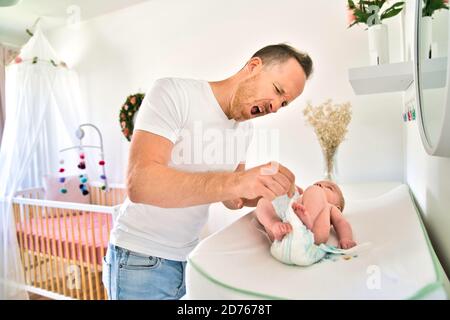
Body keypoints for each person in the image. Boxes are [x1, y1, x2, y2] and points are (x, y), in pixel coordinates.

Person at [103, 44, 313, 299]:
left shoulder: (245, 129)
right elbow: (140, 184)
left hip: (189, 258)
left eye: (284, 103)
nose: (276, 107)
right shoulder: (173, 93)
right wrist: (239, 181)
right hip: (140, 258)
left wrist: (272, 193)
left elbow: (232, 198)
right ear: (254, 67)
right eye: (277, 91)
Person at [255, 180, 356, 249]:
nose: (320, 185)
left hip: (311, 233)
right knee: (263, 201)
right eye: (317, 183)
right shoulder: (301, 198)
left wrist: (346, 238)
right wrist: (291, 191)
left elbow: (341, 222)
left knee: (314, 190)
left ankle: (307, 220)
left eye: (329, 188)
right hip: (285, 230)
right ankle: (274, 224)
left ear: (337, 206)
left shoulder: (330, 207)